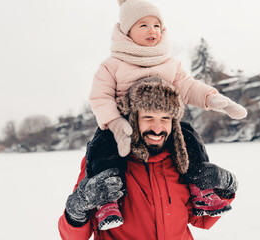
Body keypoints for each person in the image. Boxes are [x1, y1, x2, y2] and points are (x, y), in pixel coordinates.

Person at [85, 0, 246, 231]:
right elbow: (100, 97)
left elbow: (188, 87)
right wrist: (115, 123)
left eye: (156, 25)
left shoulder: (169, 62)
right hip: (123, 125)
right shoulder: (112, 64)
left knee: (188, 134)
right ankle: (107, 201)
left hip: (161, 120)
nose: (152, 30)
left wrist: (214, 99)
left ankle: (201, 189)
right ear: (127, 30)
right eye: (143, 25)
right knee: (102, 145)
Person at [59, 78, 238, 239]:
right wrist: (78, 207)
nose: (158, 129)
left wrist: (226, 188)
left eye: (165, 119)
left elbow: (201, 220)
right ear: (133, 118)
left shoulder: (182, 161)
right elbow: (73, 237)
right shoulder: (106, 161)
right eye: (148, 117)